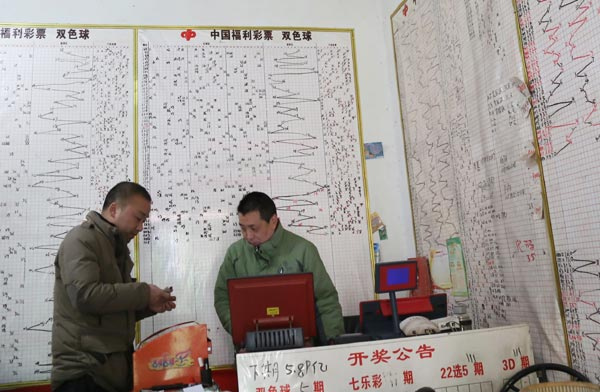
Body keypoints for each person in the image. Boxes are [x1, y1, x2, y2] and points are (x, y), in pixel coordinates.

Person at [51, 182, 176, 392]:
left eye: (144, 221)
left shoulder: (115, 247)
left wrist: (148, 305)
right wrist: (144, 293)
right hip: (84, 375)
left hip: (112, 375)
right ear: (113, 209)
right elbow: (85, 295)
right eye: (138, 218)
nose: (140, 227)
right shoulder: (81, 239)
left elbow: (110, 306)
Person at [214, 191, 344, 344]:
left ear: (273, 221)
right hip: (251, 352)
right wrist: (240, 331)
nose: (248, 236)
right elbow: (222, 298)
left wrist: (333, 342)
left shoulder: (303, 250)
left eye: (253, 228)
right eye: (243, 228)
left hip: (301, 350)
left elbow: (326, 300)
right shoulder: (235, 254)